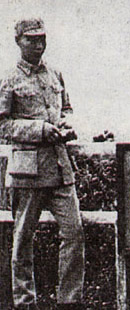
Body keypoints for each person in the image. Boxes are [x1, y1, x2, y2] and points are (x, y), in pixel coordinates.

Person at [0, 18, 84, 310]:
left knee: (74, 234)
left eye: (42, 39)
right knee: (23, 241)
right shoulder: (9, 79)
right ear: (18, 42)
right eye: (31, 40)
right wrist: (39, 130)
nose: (38, 45)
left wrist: (66, 125)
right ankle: (25, 303)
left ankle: (69, 302)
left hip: (61, 169)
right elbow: (3, 125)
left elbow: (67, 109)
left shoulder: (56, 74)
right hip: (28, 172)